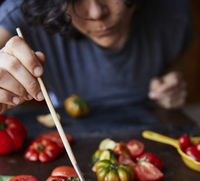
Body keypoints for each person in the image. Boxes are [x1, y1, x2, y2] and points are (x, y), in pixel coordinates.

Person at [0, 0, 192, 114]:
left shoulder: (174, 9)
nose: (97, 13)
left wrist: (173, 79)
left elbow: (180, 59)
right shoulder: (24, 9)